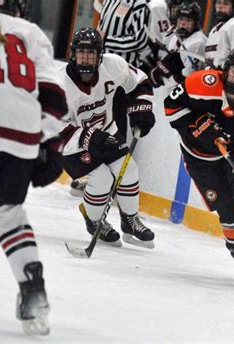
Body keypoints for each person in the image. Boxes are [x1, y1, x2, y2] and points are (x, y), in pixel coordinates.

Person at [0, 0, 68, 335]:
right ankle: (33, 290)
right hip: (21, 128)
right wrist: (50, 145)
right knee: (5, 209)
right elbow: (55, 96)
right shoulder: (31, 32)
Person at [164, 43, 234, 284]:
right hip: (198, 157)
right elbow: (171, 107)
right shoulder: (202, 83)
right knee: (225, 208)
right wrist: (196, 127)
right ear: (226, 70)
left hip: (231, 152)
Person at [59, 28, 156, 249]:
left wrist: (141, 109)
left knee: (129, 169)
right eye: (82, 53)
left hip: (107, 130)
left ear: (100, 55)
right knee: (102, 179)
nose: (86, 59)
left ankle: (130, 219)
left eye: (91, 54)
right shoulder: (60, 84)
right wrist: (89, 138)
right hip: (71, 144)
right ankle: (93, 220)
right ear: (73, 54)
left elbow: (139, 81)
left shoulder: (113, 65)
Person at [149, 1, 207, 89]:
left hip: (188, 90)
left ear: (195, 23)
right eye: (181, 19)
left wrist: (165, 82)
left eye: (188, 20)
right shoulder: (175, 36)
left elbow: (190, 74)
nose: (183, 23)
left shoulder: (198, 42)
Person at [97, 0, 152, 74]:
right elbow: (100, 30)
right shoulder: (108, 1)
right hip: (102, 66)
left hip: (124, 70)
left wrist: (107, 40)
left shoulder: (139, 4)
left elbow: (140, 41)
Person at [205, 0, 234, 67]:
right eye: (218, 3)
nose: (220, 7)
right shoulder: (214, 29)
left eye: (226, 3)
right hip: (211, 73)